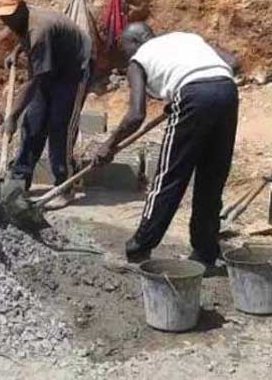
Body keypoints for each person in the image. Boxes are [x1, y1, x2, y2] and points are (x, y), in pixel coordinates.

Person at [92, 23, 239, 268]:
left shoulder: (138, 60)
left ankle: (138, 248)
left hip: (193, 97)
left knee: (168, 178)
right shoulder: (186, 37)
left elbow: (136, 115)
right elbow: (233, 62)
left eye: (125, 48)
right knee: (212, 179)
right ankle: (205, 253)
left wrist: (108, 144)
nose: (127, 54)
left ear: (135, 42)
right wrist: (190, 88)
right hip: (226, 91)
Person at [0, 0, 93, 209]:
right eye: (3, 17)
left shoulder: (39, 29)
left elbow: (33, 82)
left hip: (74, 70)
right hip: (52, 65)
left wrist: (12, 116)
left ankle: (64, 186)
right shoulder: (23, 20)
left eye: (10, 16)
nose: (7, 21)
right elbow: (25, 37)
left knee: (60, 126)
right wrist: (16, 53)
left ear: (21, 8)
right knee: (34, 122)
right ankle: (19, 179)